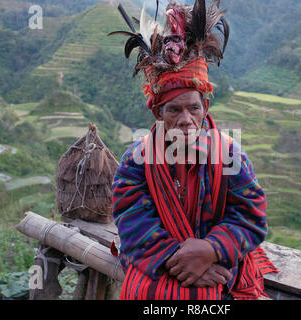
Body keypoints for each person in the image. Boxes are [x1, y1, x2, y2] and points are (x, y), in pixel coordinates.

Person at [109, 1, 277, 300]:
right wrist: (184, 260)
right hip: (161, 261)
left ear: (206, 108)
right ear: (158, 113)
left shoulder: (230, 156)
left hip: (218, 260)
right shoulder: (136, 161)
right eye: (174, 109)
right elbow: (132, 221)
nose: (185, 120)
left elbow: (251, 215)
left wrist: (211, 249)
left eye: (193, 108)